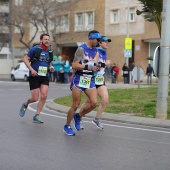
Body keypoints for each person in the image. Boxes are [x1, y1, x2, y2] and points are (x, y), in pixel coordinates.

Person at [63, 30, 101, 136]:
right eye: (98, 40)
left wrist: (97, 67)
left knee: (94, 103)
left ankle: (78, 116)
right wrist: (87, 67)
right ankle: (67, 126)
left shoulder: (96, 51)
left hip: (89, 80)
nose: (99, 42)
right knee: (75, 104)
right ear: (92, 38)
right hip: (79, 79)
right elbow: (74, 65)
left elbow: (95, 64)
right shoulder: (81, 49)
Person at [19, 33, 54, 123]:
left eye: (48, 39)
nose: (47, 41)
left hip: (44, 76)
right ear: (41, 40)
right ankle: (26, 104)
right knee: (34, 98)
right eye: (45, 39)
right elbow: (25, 59)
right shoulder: (35, 49)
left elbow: (48, 62)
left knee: (44, 96)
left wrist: (51, 67)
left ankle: (37, 115)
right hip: (34, 76)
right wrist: (31, 70)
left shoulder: (49, 51)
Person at [79, 36, 111, 129]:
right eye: (105, 42)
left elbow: (102, 66)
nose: (107, 43)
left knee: (105, 100)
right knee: (88, 101)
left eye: (108, 42)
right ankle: (78, 117)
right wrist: (105, 64)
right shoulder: (96, 51)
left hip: (100, 78)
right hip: (91, 78)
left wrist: (106, 66)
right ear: (99, 43)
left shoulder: (105, 53)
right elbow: (93, 64)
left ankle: (96, 120)